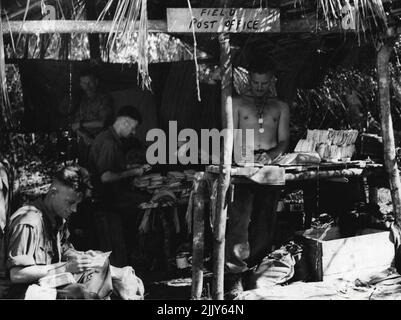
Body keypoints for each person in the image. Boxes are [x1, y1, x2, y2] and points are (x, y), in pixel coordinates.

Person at [5, 166, 144, 299]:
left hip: (47, 281)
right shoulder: (29, 222)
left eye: (77, 203)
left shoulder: (57, 216)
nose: (74, 209)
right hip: (21, 292)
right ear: (53, 193)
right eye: (70, 202)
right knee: (80, 292)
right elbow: (17, 274)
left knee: (102, 269)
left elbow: (63, 249)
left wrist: (82, 257)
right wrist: (67, 267)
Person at [225, 61, 290, 298]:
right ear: (249, 79)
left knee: (265, 220)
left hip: (270, 167)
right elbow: (229, 135)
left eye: (264, 83)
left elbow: (283, 141)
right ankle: (234, 277)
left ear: (271, 80)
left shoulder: (280, 106)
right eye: (255, 82)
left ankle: (256, 272)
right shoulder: (236, 102)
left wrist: (270, 156)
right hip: (242, 166)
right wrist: (243, 159)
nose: (259, 87)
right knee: (238, 222)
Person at [88, 106, 151, 267]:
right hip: (106, 201)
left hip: (108, 200)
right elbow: (106, 177)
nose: (134, 133)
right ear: (124, 122)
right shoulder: (109, 143)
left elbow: (112, 168)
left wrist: (130, 168)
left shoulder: (107, 137)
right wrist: (133, 172)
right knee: (146, 203)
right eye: (133, 128)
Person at [71, 68, 114, 167]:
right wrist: (85, 136)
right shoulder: (82, 101)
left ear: (96, 82)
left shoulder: (104, 99)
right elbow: (74, 126)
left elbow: (102, 123)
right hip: (85, 144)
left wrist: (81, 124)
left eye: (89, 82)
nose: (87, 86)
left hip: (101, 143)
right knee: (84, 173)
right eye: (84, 83)